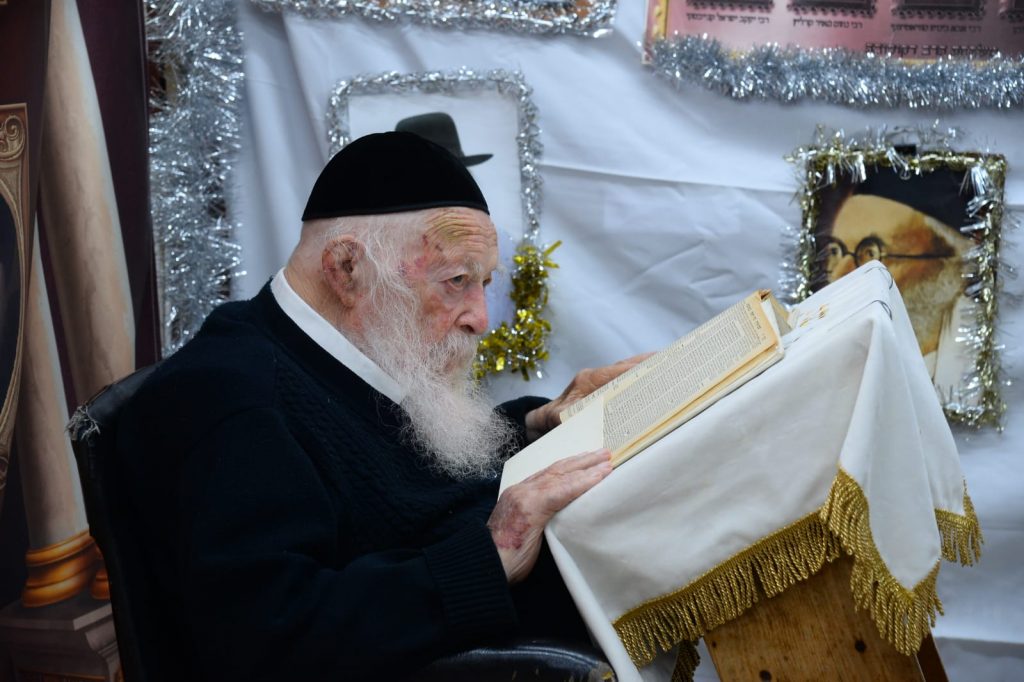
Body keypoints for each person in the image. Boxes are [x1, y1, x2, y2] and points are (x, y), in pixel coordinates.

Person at [117, 131, 641, 680]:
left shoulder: (343, 345)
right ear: (346, 269)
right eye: (456, 281)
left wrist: (539, 421)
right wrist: (490, 556)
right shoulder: (225, 399)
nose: (480, 318)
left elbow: (389, 464)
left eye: (483, 283)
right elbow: (267, 634)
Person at [821, 172, 975, 397]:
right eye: (835, 251)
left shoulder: (976, 366)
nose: (839, 276)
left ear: (946, 263)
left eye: (870, 254)